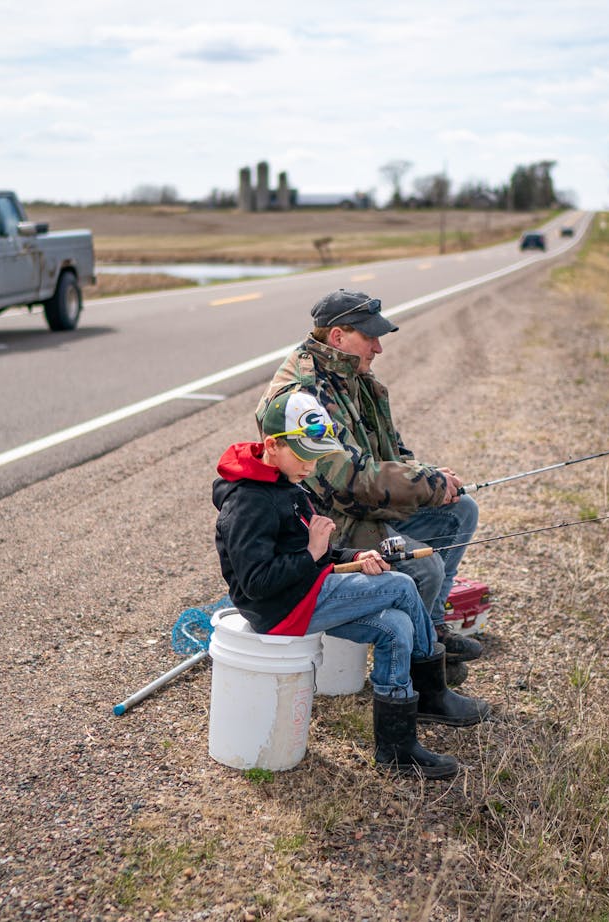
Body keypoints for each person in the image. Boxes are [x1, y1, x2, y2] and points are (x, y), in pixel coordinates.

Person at [212, 390, 490, 779]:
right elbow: (257, 583)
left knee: (397, 625)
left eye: (317, 455)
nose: (311, 465)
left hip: (307, 592)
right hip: (281, 610)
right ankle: (432, 692)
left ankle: (396, 746)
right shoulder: (248, 502)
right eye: (305, 454)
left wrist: (353, 558)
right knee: (401, 587)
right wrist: (311, 554)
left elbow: (323, 555)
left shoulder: (287, 482)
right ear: (272, 446)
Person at [258, 289, 485, 675]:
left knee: (460, 510)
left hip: (363, 507)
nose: (379, 347)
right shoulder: (304, 394)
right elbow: (345, 483)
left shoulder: (353, 375)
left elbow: (390, 452)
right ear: (338, 337)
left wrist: (432, 479)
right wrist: (425, 483)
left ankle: (429, 628)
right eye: (370, 337)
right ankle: (417, 665)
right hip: (327, 524)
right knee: (424, 569)